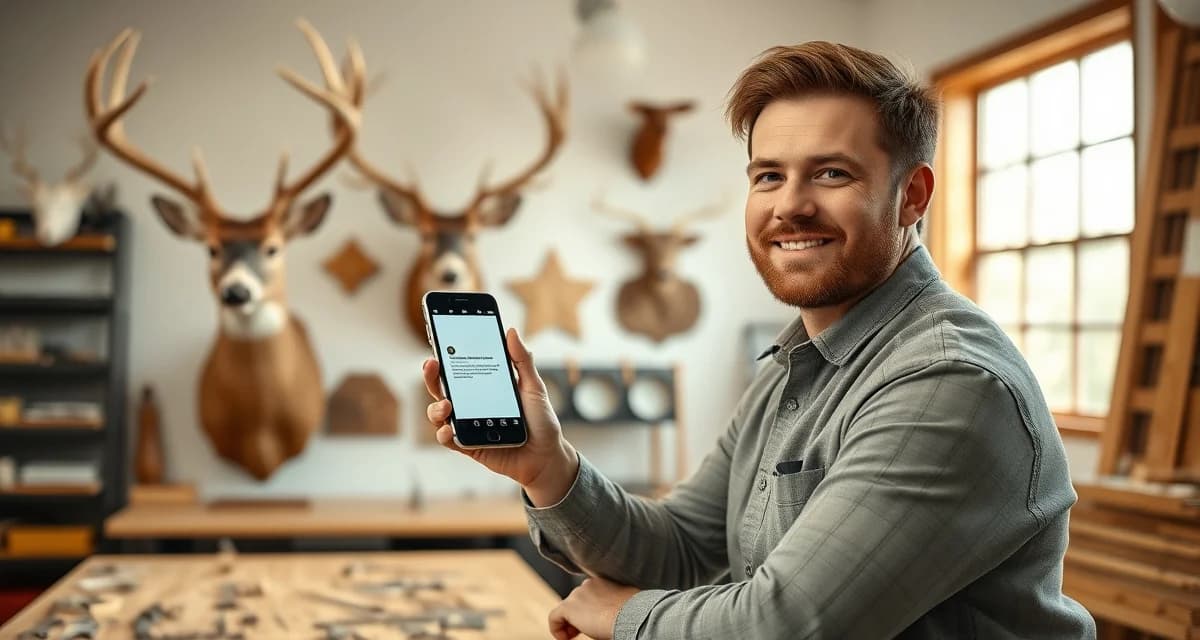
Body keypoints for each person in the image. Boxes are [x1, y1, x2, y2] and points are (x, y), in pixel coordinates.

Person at [422, 41, 1095, 639]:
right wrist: (548, 467)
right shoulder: (793, 365)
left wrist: (618, 617)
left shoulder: (948, 381)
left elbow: (785, 626)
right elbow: (682, 548)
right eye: (768, 175)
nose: (789, 205)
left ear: (911, 196)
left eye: (832, 173)